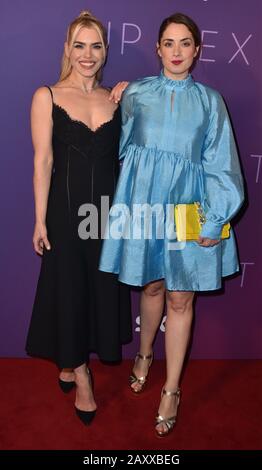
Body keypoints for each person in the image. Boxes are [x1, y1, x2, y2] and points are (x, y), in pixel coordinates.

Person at [99, 12, 244, 437]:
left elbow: (222, 165)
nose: (177, 51)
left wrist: (215, 217)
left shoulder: (212, 101)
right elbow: (114, 144)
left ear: (197, 50)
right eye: (169, 43)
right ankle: (144, 354)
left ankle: (172, 388)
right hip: (145, 202)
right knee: (152, 286)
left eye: (185, 43)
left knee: (181, 297)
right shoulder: (136, 93)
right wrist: (118, 96)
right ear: (158, 48)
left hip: (190, 208)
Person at [26, 10, 132, 426]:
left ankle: (69, 361)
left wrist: (132, 92)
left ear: (105, 52)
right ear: (67, 50)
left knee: (99, 289)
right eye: (79, 45)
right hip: (66, 215)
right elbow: (43, 161)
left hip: (106, 215)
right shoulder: (46, 96)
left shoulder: (116, 98)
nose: (87, 55)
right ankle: (81, 374)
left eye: (96, 46)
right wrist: (39, 220)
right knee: (69, 289)